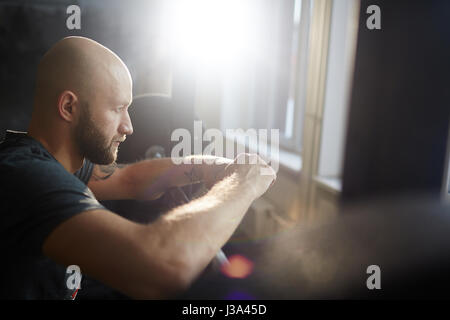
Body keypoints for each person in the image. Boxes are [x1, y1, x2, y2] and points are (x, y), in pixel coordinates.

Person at [0, 36, 276, 299]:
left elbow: (130, 179)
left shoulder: (56, 163)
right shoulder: (26, 177)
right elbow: (164, 266)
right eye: (117, 108)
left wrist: (218, 168)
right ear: (69, 107)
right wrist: (243, 183)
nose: (128, 126)